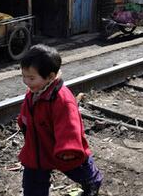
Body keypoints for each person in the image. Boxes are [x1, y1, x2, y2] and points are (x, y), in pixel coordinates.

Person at [17, 45, 103, 196]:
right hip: (38, 145)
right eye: (23, 76)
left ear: (50, 77)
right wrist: (23, 123)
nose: (26, 81)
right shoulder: (34, 92)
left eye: (31, 78)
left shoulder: (62, 99)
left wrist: (68, 149)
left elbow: (69, 126)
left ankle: (92, 181)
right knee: (33, 180)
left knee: (77, 168)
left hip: (62, 148)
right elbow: (26, 111)